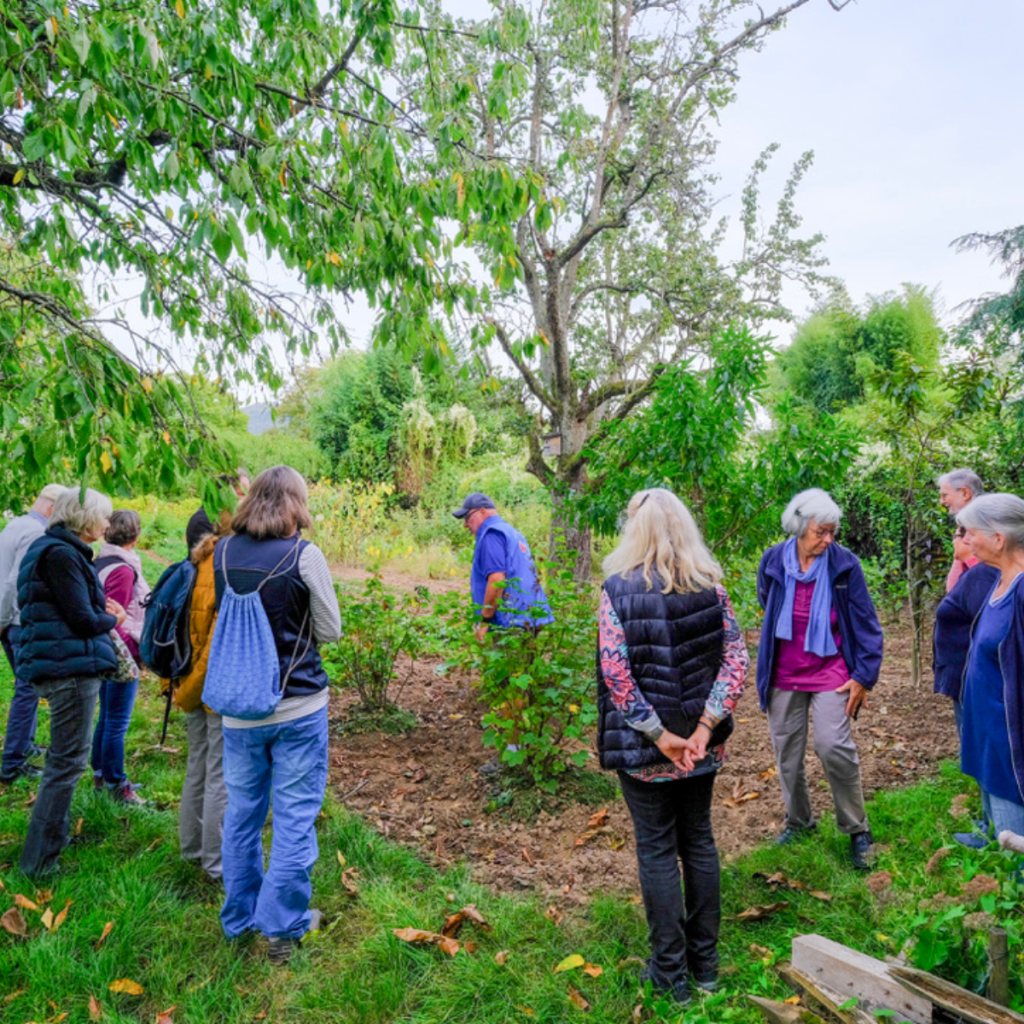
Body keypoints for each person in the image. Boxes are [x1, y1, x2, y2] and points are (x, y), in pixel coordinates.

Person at [597, 489, 748, 1004]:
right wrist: (704, 729)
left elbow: (616, 675)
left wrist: (660, 736)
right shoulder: (713, 588)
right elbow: (736, 663)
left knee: (658, 850)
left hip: (650, 753)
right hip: (700, 751)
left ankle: (670, 975)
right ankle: (705, 968)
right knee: (699, 844)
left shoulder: (616, 590)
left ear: (635, 530)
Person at [212, 466, 341, 963]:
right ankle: (282, 930)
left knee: (242, 814)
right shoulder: (304, 556)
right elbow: (329, 629)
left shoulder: (222, 552)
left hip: (240, 709)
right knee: (293, 817)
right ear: (297, 503)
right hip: (298, 705)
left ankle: (240, 918)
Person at [756, 488, 883, 870]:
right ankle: (799, 823)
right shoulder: (773, 560)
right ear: (798, 527)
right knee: (787, 753)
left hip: (832, 672)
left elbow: (866, 624)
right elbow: (768, 602)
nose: (828, 540)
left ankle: (857, 828)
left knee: (832, 745)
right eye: (820, 532)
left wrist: (863, 675)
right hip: (784, 671)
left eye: (832, 532)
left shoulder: (844, 564)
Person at [16, 488, 124, 879]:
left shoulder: (52, 549)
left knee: (64, 762)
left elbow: (71, 608)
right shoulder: (62, 555)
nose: (108, 525)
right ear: (84, 518)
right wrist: (115, 619)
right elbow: (81, 619)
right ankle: (39, 862)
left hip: (60, 665)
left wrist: (100, 609)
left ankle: (52, 838)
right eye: (104, 517)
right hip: (70, 671)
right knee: (65, 765)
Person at [956, 493, 1024, 841]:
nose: (965, 540)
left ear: (998, 539)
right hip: (991, 731)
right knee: (1006, 832)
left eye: (971, 532)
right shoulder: (998, 580)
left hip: (1010, 737)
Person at [932, 524, 999, 848]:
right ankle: (991, 824)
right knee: (981, 749)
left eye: (964, 534)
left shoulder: (988, 576)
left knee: (990, 752)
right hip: (967, 677)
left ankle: (998, 832)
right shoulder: (977, 573)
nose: (961, 541)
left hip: (979, 681)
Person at [0, 483, 66, 783]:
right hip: (16, 620)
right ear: (52, 508)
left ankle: (23, 745)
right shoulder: (37, 533)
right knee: (27, 690)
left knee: (28, 687)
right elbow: (15, 581)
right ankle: (12, 761)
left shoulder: (16, 524)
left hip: (8, 617)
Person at [175, 528, 228, 882]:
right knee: (219, 774)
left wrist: (183, 689)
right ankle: (216, 864)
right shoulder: (225, 565)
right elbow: (215, 641)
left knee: (198, 766)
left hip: (190, 679)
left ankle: (191, 848)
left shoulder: (198, 558)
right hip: (212, 686)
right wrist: (193, 690)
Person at [89, 511, 151, 803]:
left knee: (107, 715)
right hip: (118, 651)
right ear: (136, 535)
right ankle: (116, 784)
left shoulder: (99, 562)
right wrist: (133, 652)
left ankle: (101, 773)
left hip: (103, 648)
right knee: (117, 720)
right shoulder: (123, 571)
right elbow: (118, 617)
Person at [453, 492, 554, 639]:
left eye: (467, 517)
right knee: (524, 661)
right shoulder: (511, 532)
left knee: (505, 659)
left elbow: (497, 579)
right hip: (530, 617)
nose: (465, 524)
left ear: (482, 511)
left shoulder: (491, 535)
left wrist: (485, 620)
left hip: (510, 622)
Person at [938, 468, 986, 592]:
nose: (941, 501)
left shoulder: (986, 523)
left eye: (945, 495)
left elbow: (996, 576)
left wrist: (968, 556)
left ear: (965, 493)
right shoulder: (966, 524)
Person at [186, 470, 249, 553]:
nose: (248, 500)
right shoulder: (202, 521)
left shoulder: (237, 520)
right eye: (242, 495)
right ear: (224, 494)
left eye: (249, 495)